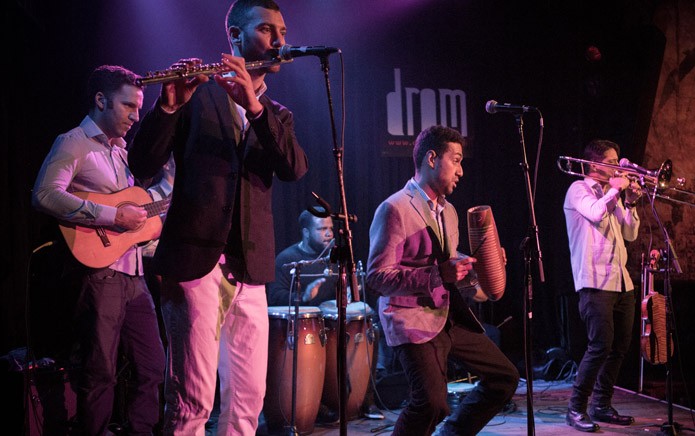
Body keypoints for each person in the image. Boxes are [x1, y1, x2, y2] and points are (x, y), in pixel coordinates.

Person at [127, 0, 309, 433]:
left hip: (251, 265)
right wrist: (167, 107)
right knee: (193, 400)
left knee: (248, 400)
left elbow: (293, 169)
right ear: (235, 36)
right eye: (267, 30)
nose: (280, 41)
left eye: (282, 31)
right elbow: (141, 164)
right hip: (194, 261)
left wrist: (256, 109)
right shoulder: (195, 94)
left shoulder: (277, 115)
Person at [31, 64, 166, 435]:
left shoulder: (123, 152)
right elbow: (44, 194)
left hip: (134, 275)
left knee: (153, 366)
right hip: (100, 275)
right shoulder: (73, 141)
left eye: (139, 108)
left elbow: (136, 214)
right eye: (128, 107)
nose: (136, 117)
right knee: (100, 370)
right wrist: (110, 215)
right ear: (101, 100)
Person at [366, 125, 520, 435]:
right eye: (457, 160)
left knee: (505, 377)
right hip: (410, 318)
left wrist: (474, 268)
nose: (461, 171)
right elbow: (377, 277)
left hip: (447, 315)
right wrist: (438, 274)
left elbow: (448, 267)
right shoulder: (394, 208)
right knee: (433, 404)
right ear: (432, 158)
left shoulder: (449, 212)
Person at [266, 208, 385, 422]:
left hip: (335, 323)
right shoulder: (288, 259)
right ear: (305, 232)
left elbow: (351, 283)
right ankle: (318, 403)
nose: (329, 234)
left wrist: (351, 290)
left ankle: (366, 400)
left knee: (371, 325)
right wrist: (304, 295)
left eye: (330, 228)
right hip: (307, 328)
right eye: (322, 229)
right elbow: (274, 298)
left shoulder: (336, 257)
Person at [563, 138, 642, 432]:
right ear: (594, 165)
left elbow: (630, 233)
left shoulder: (613, 194)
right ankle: (575, 408)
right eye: (611, 163)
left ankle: (601, 404)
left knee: (620, 347)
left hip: (621, 281)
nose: (616, 168)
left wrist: (630, 202)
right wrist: (616, 190)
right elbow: (596, 213)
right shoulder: (578, 190)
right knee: (600, 346)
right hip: (594, 281)